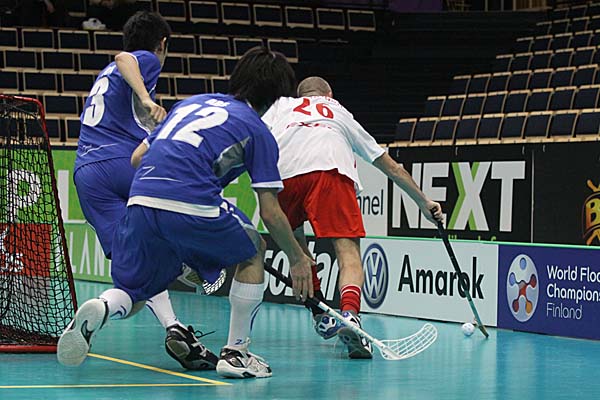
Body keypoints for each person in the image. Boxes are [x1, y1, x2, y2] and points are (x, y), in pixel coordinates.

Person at [57, 47, 315, 379]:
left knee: (138, 290)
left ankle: (104, 306)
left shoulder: (189, 104)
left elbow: (137, 158)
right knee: (253, 249)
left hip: (141, 199)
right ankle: (236, 353)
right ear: (276, 97)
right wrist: (296, 257)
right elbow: (271, 213)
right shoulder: (258, 131)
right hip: (189, 199)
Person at [71, 11, 217, 371]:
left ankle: (121, 313)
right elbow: (125, 58)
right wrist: (148, 100)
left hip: (86, 175)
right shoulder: (145, 59)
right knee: (175, 206)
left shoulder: (104, 78)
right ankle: (188, 260)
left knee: (134, 270)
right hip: (123, 163)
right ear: (162, 44)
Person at [261, 76, 444, 359]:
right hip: (329, 171)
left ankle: (319, 312)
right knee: (348, 253)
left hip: (283, 177)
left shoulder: (281, 107)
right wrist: (423, 202)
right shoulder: (338, 111)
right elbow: (391, 167)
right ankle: (349, 315)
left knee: (298, 251)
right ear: (329, 95)